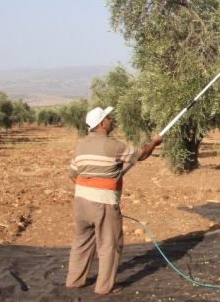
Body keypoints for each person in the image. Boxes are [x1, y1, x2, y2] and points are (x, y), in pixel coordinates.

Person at [65, 106, 163, 295]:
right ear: (102, 123)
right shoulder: (111, 145)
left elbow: (72, 175)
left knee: (81, 242)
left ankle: (74, 281)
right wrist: (154, 142)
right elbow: (141, 155)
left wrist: (93, 182)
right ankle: (104, 288)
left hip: (80, 203)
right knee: (109, 244)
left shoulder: (81, 145)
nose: (111, 120)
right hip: (103, 204)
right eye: (108, 118)